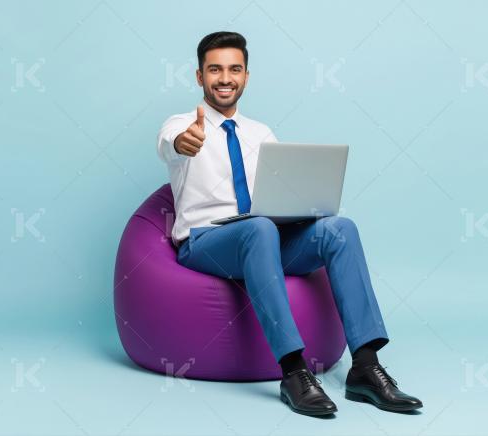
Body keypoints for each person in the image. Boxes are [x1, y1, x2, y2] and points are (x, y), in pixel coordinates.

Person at [156, 31, 422, 417]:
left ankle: (365, 367)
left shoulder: (260, 132)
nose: (225, 78)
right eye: (214, 69)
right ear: (199, 77)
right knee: (259, 228)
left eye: (234, 69)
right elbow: (169, 144)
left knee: (339, 228)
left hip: (260, 238)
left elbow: (277, 194)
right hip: (206, 243)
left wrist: (301, 207)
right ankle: (294, 372)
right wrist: (184, 142)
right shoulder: (181, 124)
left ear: (246, 76)